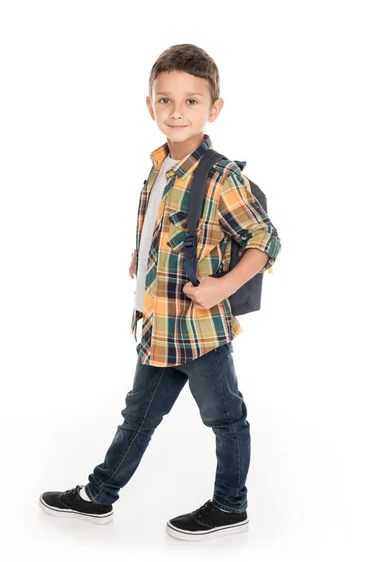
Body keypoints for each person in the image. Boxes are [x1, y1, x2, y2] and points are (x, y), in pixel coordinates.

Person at [38, 43, 282, 541]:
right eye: (165, 100)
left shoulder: (220, 177)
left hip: (198, 328)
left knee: (226, 418)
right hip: (158, 322)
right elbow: (163, 226)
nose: (177, 112)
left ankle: (231, 506)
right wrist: (142, 257)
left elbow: (266, 240)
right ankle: (99, 495)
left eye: (192, 101)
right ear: (150, 105)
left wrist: (223, 287)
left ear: (214, 108)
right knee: (139, 416)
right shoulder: (159, 165)